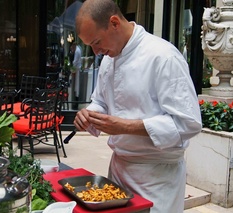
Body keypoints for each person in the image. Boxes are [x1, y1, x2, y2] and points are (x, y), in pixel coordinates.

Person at [73, 0, 202, 212]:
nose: (95, 51)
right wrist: (90, 114)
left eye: (96, 42)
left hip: (157, 177)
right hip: (118, 170)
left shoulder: (163, 56)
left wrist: (125, 127)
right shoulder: (108, 59)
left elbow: (188, 123)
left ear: (114, 23)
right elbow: (101, 102)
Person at [70, 42, 82, 109]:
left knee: (76, 88)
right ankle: (75, 101)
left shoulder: (77, 51)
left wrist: (72, 70)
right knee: (76, 88)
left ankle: (75, 103)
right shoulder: (78, 49)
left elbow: (75, 61)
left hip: (77, 70)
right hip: (77, 69)